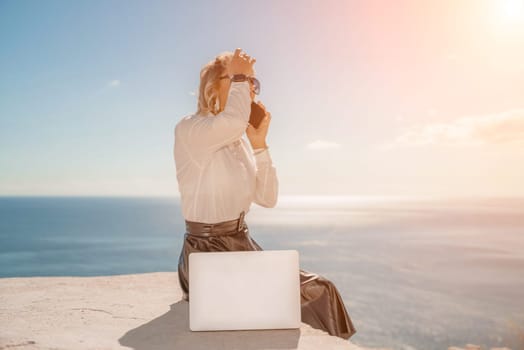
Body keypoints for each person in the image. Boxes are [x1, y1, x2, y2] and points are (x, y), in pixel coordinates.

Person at [173, 48, 357, 340]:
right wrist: (241, 78)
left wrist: (259, 146)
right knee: (299, 300)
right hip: (205, 254)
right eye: (240, 80)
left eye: (252, 84)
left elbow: (267, 197)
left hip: (242, 245)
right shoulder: (191, 129)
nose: (249, 89)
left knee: (321, 290)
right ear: (213, 87)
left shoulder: (239, 140)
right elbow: (232, 122)